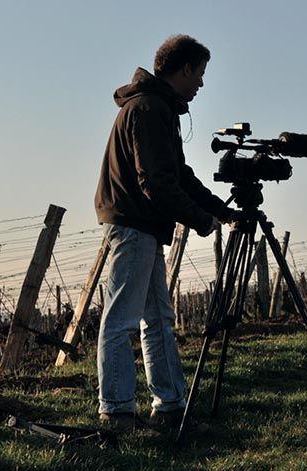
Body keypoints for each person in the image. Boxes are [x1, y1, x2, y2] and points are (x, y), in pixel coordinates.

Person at [93, 34, 235, 432]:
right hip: (134, 223)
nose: (202, 84)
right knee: (122, 320)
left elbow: (179, 175)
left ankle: (170, 407)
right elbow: (155, 181)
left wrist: (218, 210)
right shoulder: (150, 108)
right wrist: (201, 220)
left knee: (157, 318)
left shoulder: (157, 107)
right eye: (200, 73)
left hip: (144, 226)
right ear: (185, 68)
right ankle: (117, 409)